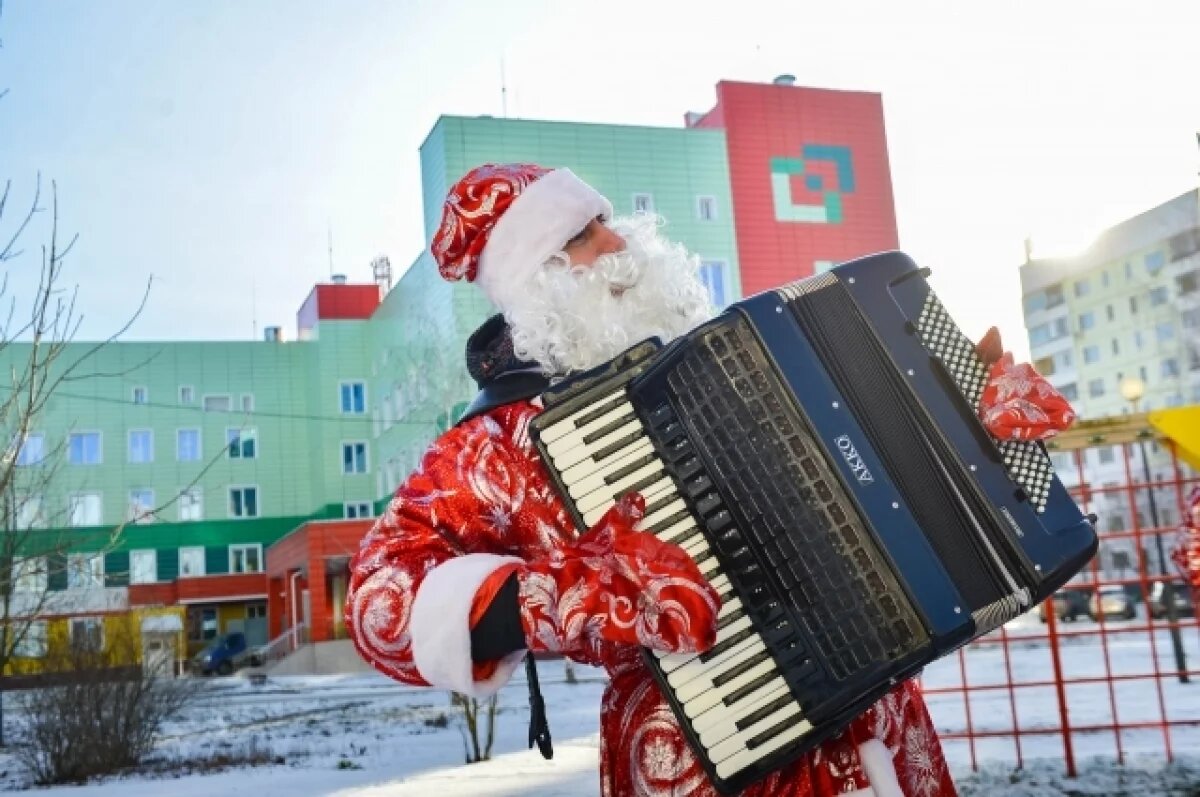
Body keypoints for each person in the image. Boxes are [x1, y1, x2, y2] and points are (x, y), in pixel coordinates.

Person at [345, 163, 1074, 796]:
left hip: (884, 741)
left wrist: (966, 420)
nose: (618, 241)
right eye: (582, 235)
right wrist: (564, 592)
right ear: (535, 284)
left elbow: (875, 479)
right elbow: (382, 597)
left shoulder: (743, 353)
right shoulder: (493, 446)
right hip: (698, 759)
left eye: (606, 219)